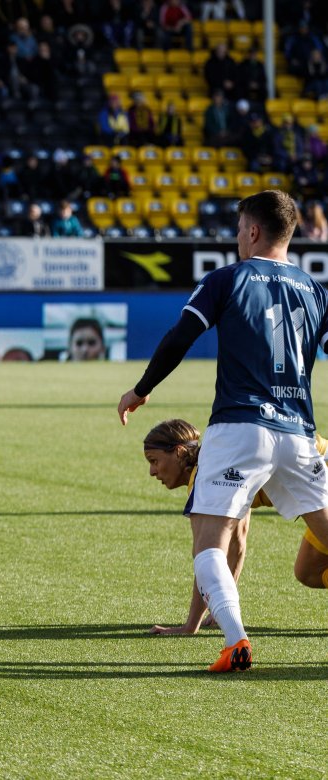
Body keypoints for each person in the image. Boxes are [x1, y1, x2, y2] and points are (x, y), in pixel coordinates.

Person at [118, 190, 328, 673]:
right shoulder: (316, 292)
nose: (236, 238)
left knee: (209, 543)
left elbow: (180, 337)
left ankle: (236, 641)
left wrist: (141, 389)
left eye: (238, 229)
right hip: (299, 432)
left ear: (253, 231)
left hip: (240, 427)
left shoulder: (227, 279)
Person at [142, 419, 328, 635]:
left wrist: (190, 626)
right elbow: (236, 542)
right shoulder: (223, 458)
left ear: (179, 452)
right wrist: (224, 604)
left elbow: (208, 556)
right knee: (308, 572)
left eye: (154, 461)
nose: (151, 471)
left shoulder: (209, 476)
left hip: (319, 477)